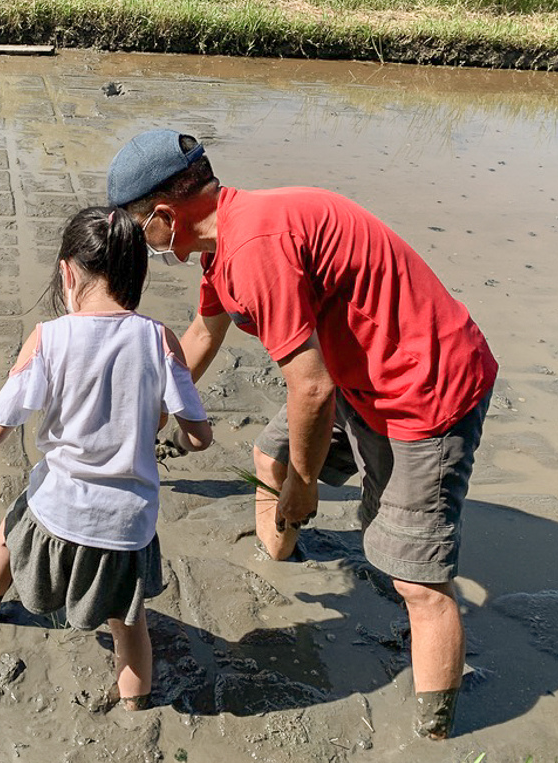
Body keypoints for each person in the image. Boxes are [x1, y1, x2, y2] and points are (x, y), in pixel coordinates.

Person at [106, 129, 497, 738]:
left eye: (140, 232)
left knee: (417, 581)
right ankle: (280, 554)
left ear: (163, 215)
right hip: (356, 374)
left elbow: (310, 389)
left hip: (425, 388)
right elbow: (205, 335)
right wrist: (153, 410)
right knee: (270, 453)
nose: (145, 246)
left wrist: (307, 483)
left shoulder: (257, 245)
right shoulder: (226, 239)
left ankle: (438, 732)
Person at [0, 205, 213, 711]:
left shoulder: (49, 338)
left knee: (9, 534)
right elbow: (199, 434)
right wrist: (173, 434)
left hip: (56, 509)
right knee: (130, 628)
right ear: (135, 272)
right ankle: (135, 706)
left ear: (67, 271)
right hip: (127, 527)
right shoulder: (160, 338)